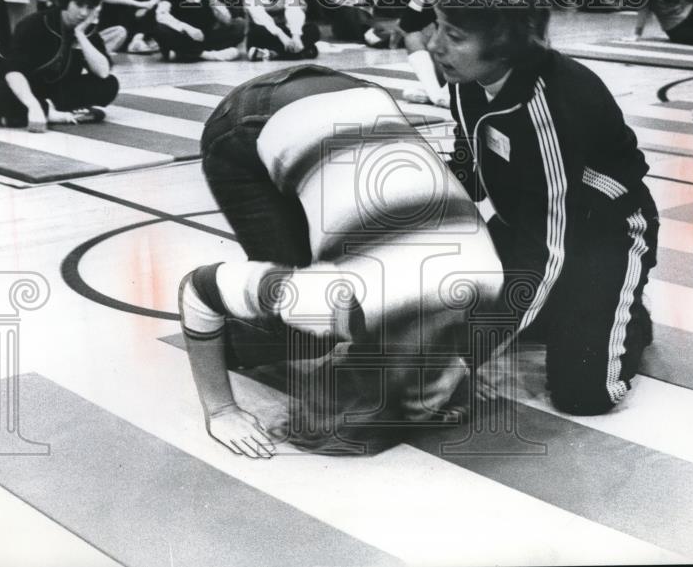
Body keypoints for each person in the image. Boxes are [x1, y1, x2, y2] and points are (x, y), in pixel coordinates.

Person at [181, 64, 504, 456]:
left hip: (352, 95)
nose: (434, 399)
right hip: (248, 122)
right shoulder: (339, 301)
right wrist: (221, 409)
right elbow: (197, 289)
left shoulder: (478, 294)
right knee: (296, 335)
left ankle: (254, 305)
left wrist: (452, 367)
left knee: (304, 305)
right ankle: (240, 326)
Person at [426, 0, 659, 416]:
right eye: (436, 26)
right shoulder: (466, 78)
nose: (434, 46)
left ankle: (626, 310)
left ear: (506, 41)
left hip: (603, 234)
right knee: (456, 309)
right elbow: (469, 173)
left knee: (585, 393)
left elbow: (548, 251)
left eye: (453, 35)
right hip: (529, 222)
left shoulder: (549, 106)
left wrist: (467, 360)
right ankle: (568, 305)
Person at [0, 0, 118, 131]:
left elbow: (103, 72)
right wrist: (33, 105)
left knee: (109, 84)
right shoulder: (34, 24)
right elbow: (14, 73)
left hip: (56, 90)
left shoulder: (86, 29)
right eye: (79, 5)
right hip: (23, 86)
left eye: (89, 7)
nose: (84, 13)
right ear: (66, 1)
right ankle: (49, 113)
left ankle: (31, 114)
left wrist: (80, 36)